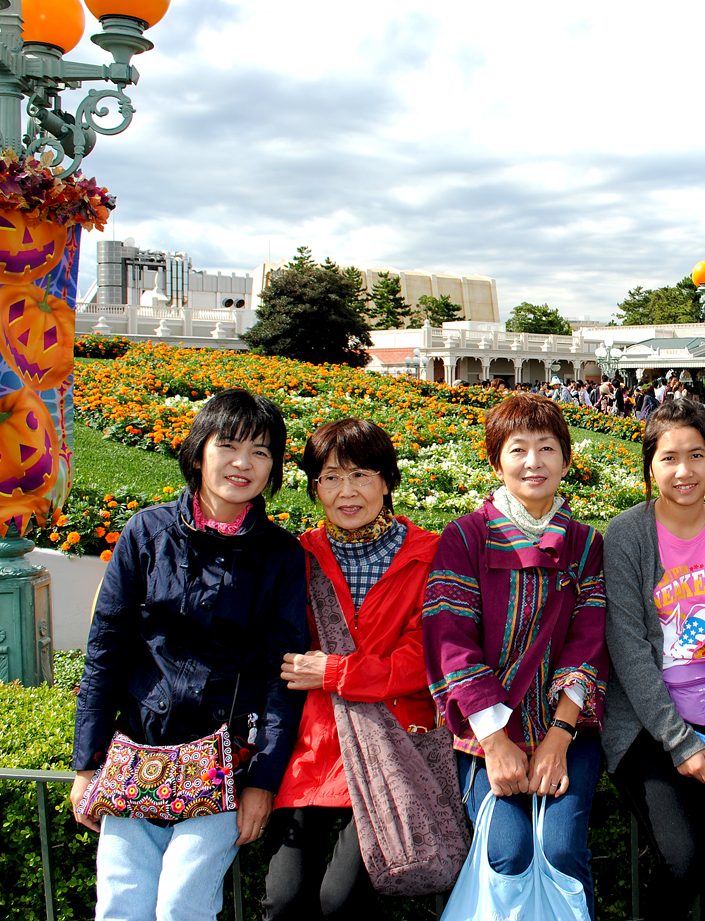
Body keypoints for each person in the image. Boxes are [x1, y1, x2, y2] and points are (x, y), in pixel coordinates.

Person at [70, 390, 308, 921]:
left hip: (223, 759)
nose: (243, 463)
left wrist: (262, 782)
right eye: (229, 445)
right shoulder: (146, 532)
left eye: (261, 451)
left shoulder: (281, 555)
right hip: (137, 749)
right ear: (198, 452)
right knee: (121, 905)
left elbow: (282, 675)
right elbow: (106, 649)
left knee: (183, 906)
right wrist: (87, 763)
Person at [422, 393, 608, 909]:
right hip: (484, 730)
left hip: (565, 725)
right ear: (495, 461)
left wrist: (560, 735)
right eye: (518, 449)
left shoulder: (585, 544)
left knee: (562, 850)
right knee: (508, 852)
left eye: (547, 448)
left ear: (566, 460)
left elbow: (589, 640)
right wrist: (495, 742)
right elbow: (450, 639)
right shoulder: (465, 538)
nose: (533, 462)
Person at [263, 419, 442, 919]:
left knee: (341, 902)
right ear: (314, 486)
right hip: (314, 749)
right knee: (285, 900)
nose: (347, 492)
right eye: (330, 477)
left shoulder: (428, 556)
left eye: (361, 475)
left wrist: (337, 672)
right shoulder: (298, 557)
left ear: (387, 480)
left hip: (392, 745)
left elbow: (424, 658)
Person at [602, 398, 705, 921]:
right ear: (650, 465)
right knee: (684, 861)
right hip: (647, 726)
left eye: (696, 455)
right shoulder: (627, 535)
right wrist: (680, 742)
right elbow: (629, 648)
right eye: (669, 458)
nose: (684, 471)